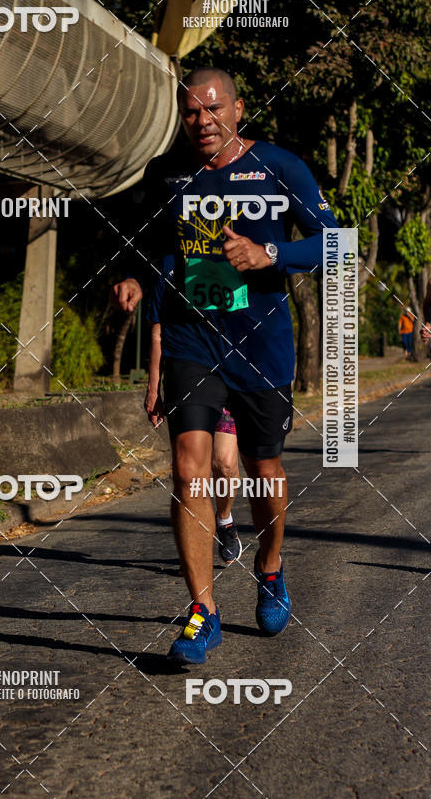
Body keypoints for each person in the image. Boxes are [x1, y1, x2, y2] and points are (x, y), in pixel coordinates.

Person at [112, 67, 338, 664]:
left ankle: (270, 567)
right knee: (191, 468)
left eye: (213, 110)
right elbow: (154, 242)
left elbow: (334, 242)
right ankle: (203, 612)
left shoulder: (279, 167)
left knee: (264, 468)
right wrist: (137, 276)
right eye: (191, 112)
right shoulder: (167, 174)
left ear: (237, 110)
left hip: (261, 342)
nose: (202, 122)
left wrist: (272, 253)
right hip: (193, 338)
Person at [146, 317, 242, 564]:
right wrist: (154, 389)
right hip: (188, 380)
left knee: (226, 464)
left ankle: (224, 520)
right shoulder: (169, 277)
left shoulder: (240, 278)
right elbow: (158, 333)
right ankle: (196, 555)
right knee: (192, 474)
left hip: (230, 379)